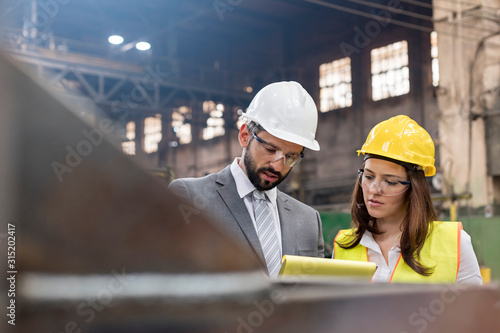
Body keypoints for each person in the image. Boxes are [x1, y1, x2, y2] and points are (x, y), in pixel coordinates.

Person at [169, 81, 324, 278]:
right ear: (244, 136)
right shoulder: (190, 198)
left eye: (291, 157)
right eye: (270, 149)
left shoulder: (308, 220)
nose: (277, 166)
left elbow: (316, 292)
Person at [333, 115, 482, 285]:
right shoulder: (342, 246)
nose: (374, 189)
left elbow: (476, 310)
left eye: (390, 181)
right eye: (368, 176)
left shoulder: (454, 244)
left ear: (415, 188)